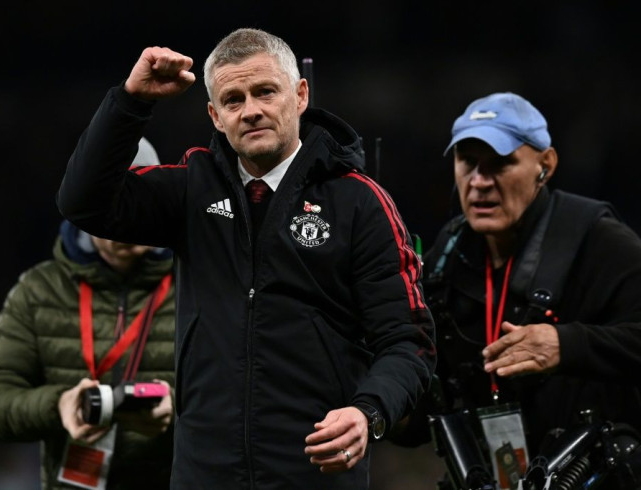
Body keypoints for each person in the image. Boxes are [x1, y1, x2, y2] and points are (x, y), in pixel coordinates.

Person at [56, 27, 436, 489]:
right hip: (204, 475)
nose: (251, 110)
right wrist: (132, 100)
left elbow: (408, 341)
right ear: (216, 116)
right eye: (234, 100)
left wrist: (367, 412)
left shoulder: (360, 203)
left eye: (265, 92)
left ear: (299, 95)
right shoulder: (191, 191)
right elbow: (82, 201)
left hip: (314, 474)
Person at [394, 92, 641, 488]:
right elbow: (426, 410)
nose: (479, 181)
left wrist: (568, 344)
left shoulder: (598, 240)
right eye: (468, 162)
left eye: (500, 163)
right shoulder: (448, 256)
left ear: (546, 165)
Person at [0, 138, 177, 489]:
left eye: (136, 198)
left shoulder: (198, 282)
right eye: (110, 202)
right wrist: (59, 405)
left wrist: (178, 408)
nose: (124, 218)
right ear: (85, 205)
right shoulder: (40, 291)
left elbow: (242, 393)